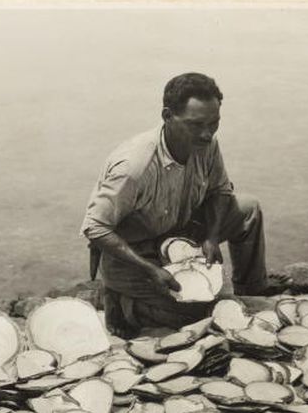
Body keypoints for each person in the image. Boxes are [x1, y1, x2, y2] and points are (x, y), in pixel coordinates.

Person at [81, 72, 268, 337]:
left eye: (214, 123)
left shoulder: (207, 144)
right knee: (198, 314)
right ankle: (122, 304)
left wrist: (213, 237)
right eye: (195, 125)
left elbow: (220, 191)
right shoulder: (134, 167)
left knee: (249, 209)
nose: (206, 134)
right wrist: (150, 269)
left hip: (179, 231)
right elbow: (95, 228)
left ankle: (252, 291)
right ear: (167, 116)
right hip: (136, 253)